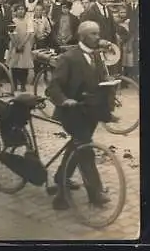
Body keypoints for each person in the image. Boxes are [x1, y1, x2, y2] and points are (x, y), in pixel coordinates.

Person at [46, 20, 113, 210]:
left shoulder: (97, 56)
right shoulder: (69, 58)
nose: (98, 37)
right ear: (82, 36)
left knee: (77, 145)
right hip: (72, 113)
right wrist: (64, 100)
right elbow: (54, 87)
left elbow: (99, 84)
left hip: (89, 112)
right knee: (85, 150)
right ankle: (94, 193)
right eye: (93, 34)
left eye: (98, 33)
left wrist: (107, 108)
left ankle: (61, 177)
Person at [7, 4, 35, 92]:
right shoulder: (12, 21)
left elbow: (29, 33)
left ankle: (23, 84)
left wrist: (22, 44)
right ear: (15, 11)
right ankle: (15, 84)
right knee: (15, 65)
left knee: (24, 65)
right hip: (14, 44)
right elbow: (10, 33)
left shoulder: (28, 21)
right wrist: (16, 45)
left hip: (25, 44)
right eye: (18, 9)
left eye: (22, 9)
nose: (21, 11)